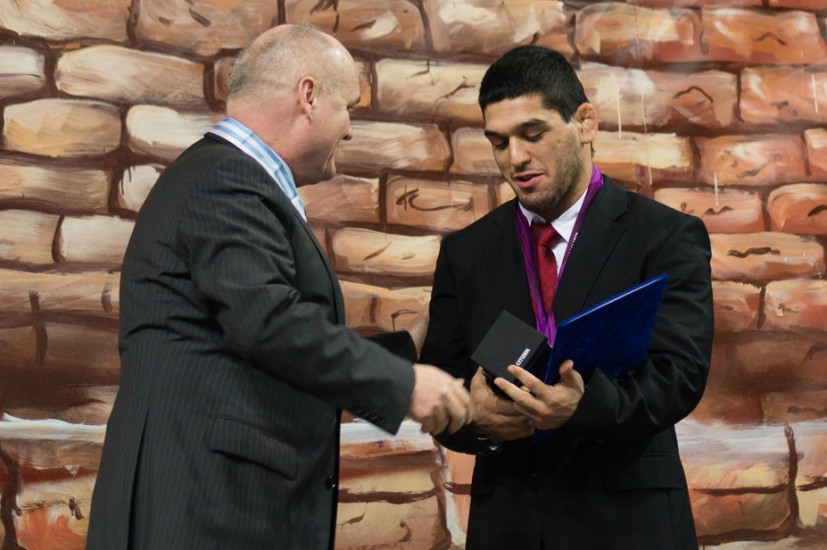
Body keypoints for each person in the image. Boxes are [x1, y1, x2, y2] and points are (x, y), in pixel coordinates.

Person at [87, 23, 471, 550]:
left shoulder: (222, 176)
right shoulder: (226, 180)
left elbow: (255, 355)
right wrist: (404, 385)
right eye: (349, 107)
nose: (350, 130)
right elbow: (269, 323)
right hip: (202, 514)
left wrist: (407, 348)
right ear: (308, 96)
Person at [420, 45, 713, 549]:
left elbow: (679, 375)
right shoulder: (465, 253)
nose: (515, 158)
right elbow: (441, 386)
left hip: (630, 526)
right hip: (509, 526)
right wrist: (476, 417)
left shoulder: (665, 236)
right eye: (498, 142)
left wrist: (583, 406)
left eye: (532, 134)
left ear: (585, 123)